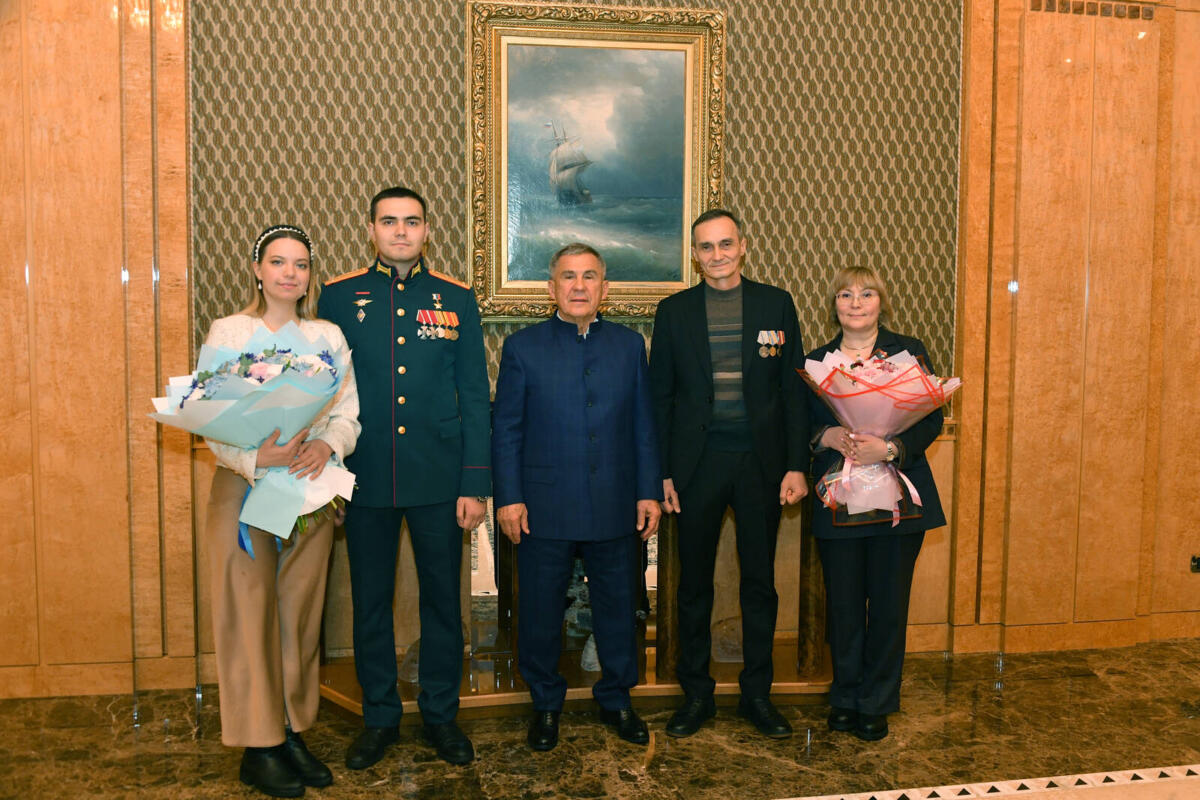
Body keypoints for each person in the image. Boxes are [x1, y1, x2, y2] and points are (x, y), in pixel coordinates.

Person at [317, 187, 491, 767]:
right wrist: (331, 479)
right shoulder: (339, 296)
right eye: (389, 221)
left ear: (426, 230)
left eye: (411, 221)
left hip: (439, 477)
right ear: (371, 230)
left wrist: (475, 483)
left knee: (443, 602)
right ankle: (379, 718)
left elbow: (474, 393)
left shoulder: (456, 298)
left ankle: (442, 715)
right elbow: (325, 394)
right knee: (370, 603)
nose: (400, 231)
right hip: (365, 475)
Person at [203, 224, 361, 798]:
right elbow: (208, 416)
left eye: (300, 264)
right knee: (248, 615)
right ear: (257, 270)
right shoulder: (231, 331)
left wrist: (329, 445)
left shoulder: (327, 335)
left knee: (298, 614)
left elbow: (347, 411)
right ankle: (259, 745)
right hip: (243, 490)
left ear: (309, 275)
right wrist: (253, 456)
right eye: (277, 262)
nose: (289, 273)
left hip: (305, 486)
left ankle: (292, 730)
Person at [491, 243, 662, 752]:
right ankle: (545, 703)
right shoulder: (522, 347)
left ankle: (617, 699)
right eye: (569, 276)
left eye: (590, 276)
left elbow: (644, 426)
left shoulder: (629, 346)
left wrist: (648, 491)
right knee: (540, 612)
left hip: (615, 501)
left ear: (605, 288)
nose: (580, 286)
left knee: (619, 608)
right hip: (543, 505)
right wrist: (509, 497)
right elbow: (507, 430)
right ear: (552, 288)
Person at [648, 209, 809, 739]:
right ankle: (697, 694)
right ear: (695, 256)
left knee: (759, 583)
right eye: (705, 247)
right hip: (696, 466)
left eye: (725, 244)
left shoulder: (775, 303)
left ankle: (757, 694)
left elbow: (792, 391)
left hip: (761, 464)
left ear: (743, 247)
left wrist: (796, 464)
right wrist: (662, 472)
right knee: (693, 584)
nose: (716, 254)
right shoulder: (673, 312)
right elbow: (660, 398)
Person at [806, 266, 946, 742]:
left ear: (881, 302)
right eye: (845, 294)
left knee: (888, 606)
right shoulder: (816, 362)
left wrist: (888, 448)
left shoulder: (908, 352)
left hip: (898, 501)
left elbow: (930, 418)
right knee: (843, 607)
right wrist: (826, 436)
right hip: (839, 500)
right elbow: (800, 421)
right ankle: (845, 697)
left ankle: (877, 702)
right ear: (834, 305)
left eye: (866, 293)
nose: (856, 302)